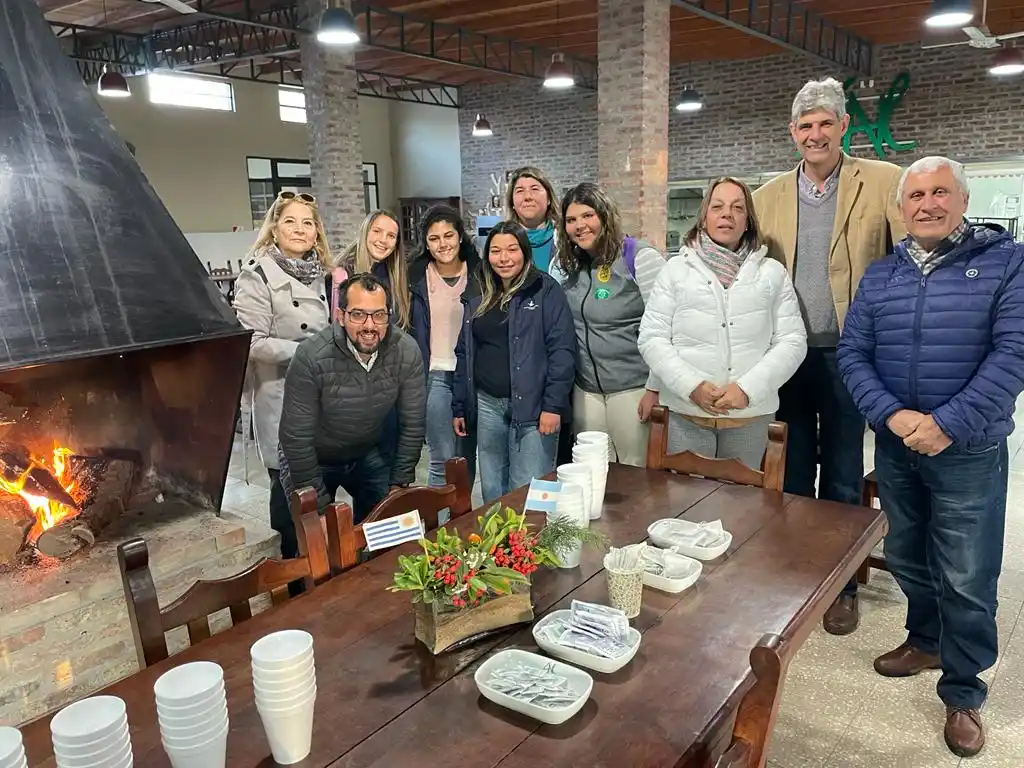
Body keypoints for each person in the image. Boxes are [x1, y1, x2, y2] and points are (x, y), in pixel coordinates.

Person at [837, 156, 1024, 758]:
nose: (927, 204)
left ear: (962, 200)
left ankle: (964, 690)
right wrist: (891, 417)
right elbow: (853, 353)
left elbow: (1014, 353)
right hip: (897, 444)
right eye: (915, 195)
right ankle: (924, 639)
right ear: (901, 208)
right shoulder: (881, 274)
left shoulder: (1006, 264)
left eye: (940, 192)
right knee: (910, 556)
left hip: (968, 448)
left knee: (967, 574)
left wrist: (948, 424)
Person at [753, 76, 905, 635]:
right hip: (788, 354)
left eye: (825, 123)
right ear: (793, 132)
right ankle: (796, 576)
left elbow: (906, 258)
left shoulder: (884, 181)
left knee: (842, 473)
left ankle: (841, 586)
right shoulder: (766, 196)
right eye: (805, 125)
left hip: (853, 354)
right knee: (791, 469)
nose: (815, 134)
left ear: (844, 126)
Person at [638, 178, 806, 468]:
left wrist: (747, 390)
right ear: (704, 216)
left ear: (748, 220)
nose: (726, 214)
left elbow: (792, 341)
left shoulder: (772, 273)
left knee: (744, 507)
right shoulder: (675, 270)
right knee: (684, 503)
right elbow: (652, 338)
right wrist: (691, 386)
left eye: (737, 207)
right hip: (685, 414)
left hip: (750, 417)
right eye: (717, 207)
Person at [233, 190, 344, 560]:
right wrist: (309, 353)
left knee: (321, 490)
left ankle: (323, 567)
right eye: (290, 221)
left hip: (323, 399)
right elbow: (251, 343)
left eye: (307, 223)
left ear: (317, 233)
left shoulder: (323, 275)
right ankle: (293, 576)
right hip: (281, 397)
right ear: (275, 229)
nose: (299, 229)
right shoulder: (257, 275)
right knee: (288, 494)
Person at [278, 273, 426, 522]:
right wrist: (322, 512)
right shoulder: (310, 356)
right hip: (313, 456)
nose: (370, 325)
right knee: (318, 545)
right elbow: (296, 438)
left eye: (379, 315)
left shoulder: (406, 351)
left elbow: (413, 424)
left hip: (366, 450)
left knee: (389, 531)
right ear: (341, 316)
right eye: (358, 314)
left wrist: (399, 483)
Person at [452, 221, 575, 503]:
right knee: (493, 489)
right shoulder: (479, 291)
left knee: (533, 490)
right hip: (488, 405)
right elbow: (464, 351)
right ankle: (497, 547)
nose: (504, 258)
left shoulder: (545, 290)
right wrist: (460, 404)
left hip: (534, 407)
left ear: (525, 252)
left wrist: (553, 406)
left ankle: (536, 545)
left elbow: (562, 350)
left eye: (512, 249)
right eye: (495, 251)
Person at [553, 182, 666, 467]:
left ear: (605, 215)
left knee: (636, 474)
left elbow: (667, 326)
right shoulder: (567, 265)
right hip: (586, 390)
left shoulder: (639, 257)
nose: (580, 225)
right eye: (571, 220)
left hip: (633, 388)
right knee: (592, 472)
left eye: (588, 215)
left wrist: (655, 388)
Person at [409, 205, 480, 487]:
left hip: (472, 376)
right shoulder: (415, 277)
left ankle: (462, 524)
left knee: (466, 459)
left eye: (448, 235)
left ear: (460, 236)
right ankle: (438, 528)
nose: (443, 244)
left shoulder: (480, 273)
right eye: (434, 238)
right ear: (426, 243)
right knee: (442, 460)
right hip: (435, 376)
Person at [505, 166, 560, 273]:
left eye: (534, 189)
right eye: (520, 191)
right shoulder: (502, 240)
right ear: (512, 203)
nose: (528, 197)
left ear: (549, 199)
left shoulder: (566, 238)